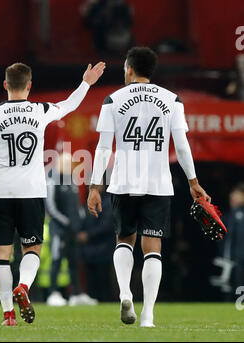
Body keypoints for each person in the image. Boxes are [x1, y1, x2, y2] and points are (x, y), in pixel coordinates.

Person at [0, 61, 106, 326]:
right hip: (31, 193)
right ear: (29, 86)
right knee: (32, 248)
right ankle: (23, 286)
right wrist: (87, 83)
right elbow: (71, 104)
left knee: (1, 254)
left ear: (5, 85)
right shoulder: (40, 110)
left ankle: (7, 315)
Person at [87, 46, 210, 327]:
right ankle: (148, 315)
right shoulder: (172, 100)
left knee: (124, 240)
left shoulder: (112, 99)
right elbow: (181, 145)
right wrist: (193, 181)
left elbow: (104, 147)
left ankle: (125, 293)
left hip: (122, 181)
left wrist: (95, 186)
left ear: (129, 68)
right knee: (152, 247)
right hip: (158, 182)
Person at [46, 152, 97, 306]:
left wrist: (79, 219)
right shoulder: (52, 180)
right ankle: (53, 293)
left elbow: (77, 204)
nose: (72, 167)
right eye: (69, 164)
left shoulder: (73, 180)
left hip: (72, 230)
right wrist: (66, 222)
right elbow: (51, 207)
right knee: (56, 260)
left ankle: (76, 294)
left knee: (74, 261)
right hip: (58, 229)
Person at [77, 188, 115, 302]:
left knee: (103, 280)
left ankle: (105, 302)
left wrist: (88, 235)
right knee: (91, 281)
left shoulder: (108, 202)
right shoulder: (86, 201)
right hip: (89, 249)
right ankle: (93, 300)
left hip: (103, 247)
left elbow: (107, 225)